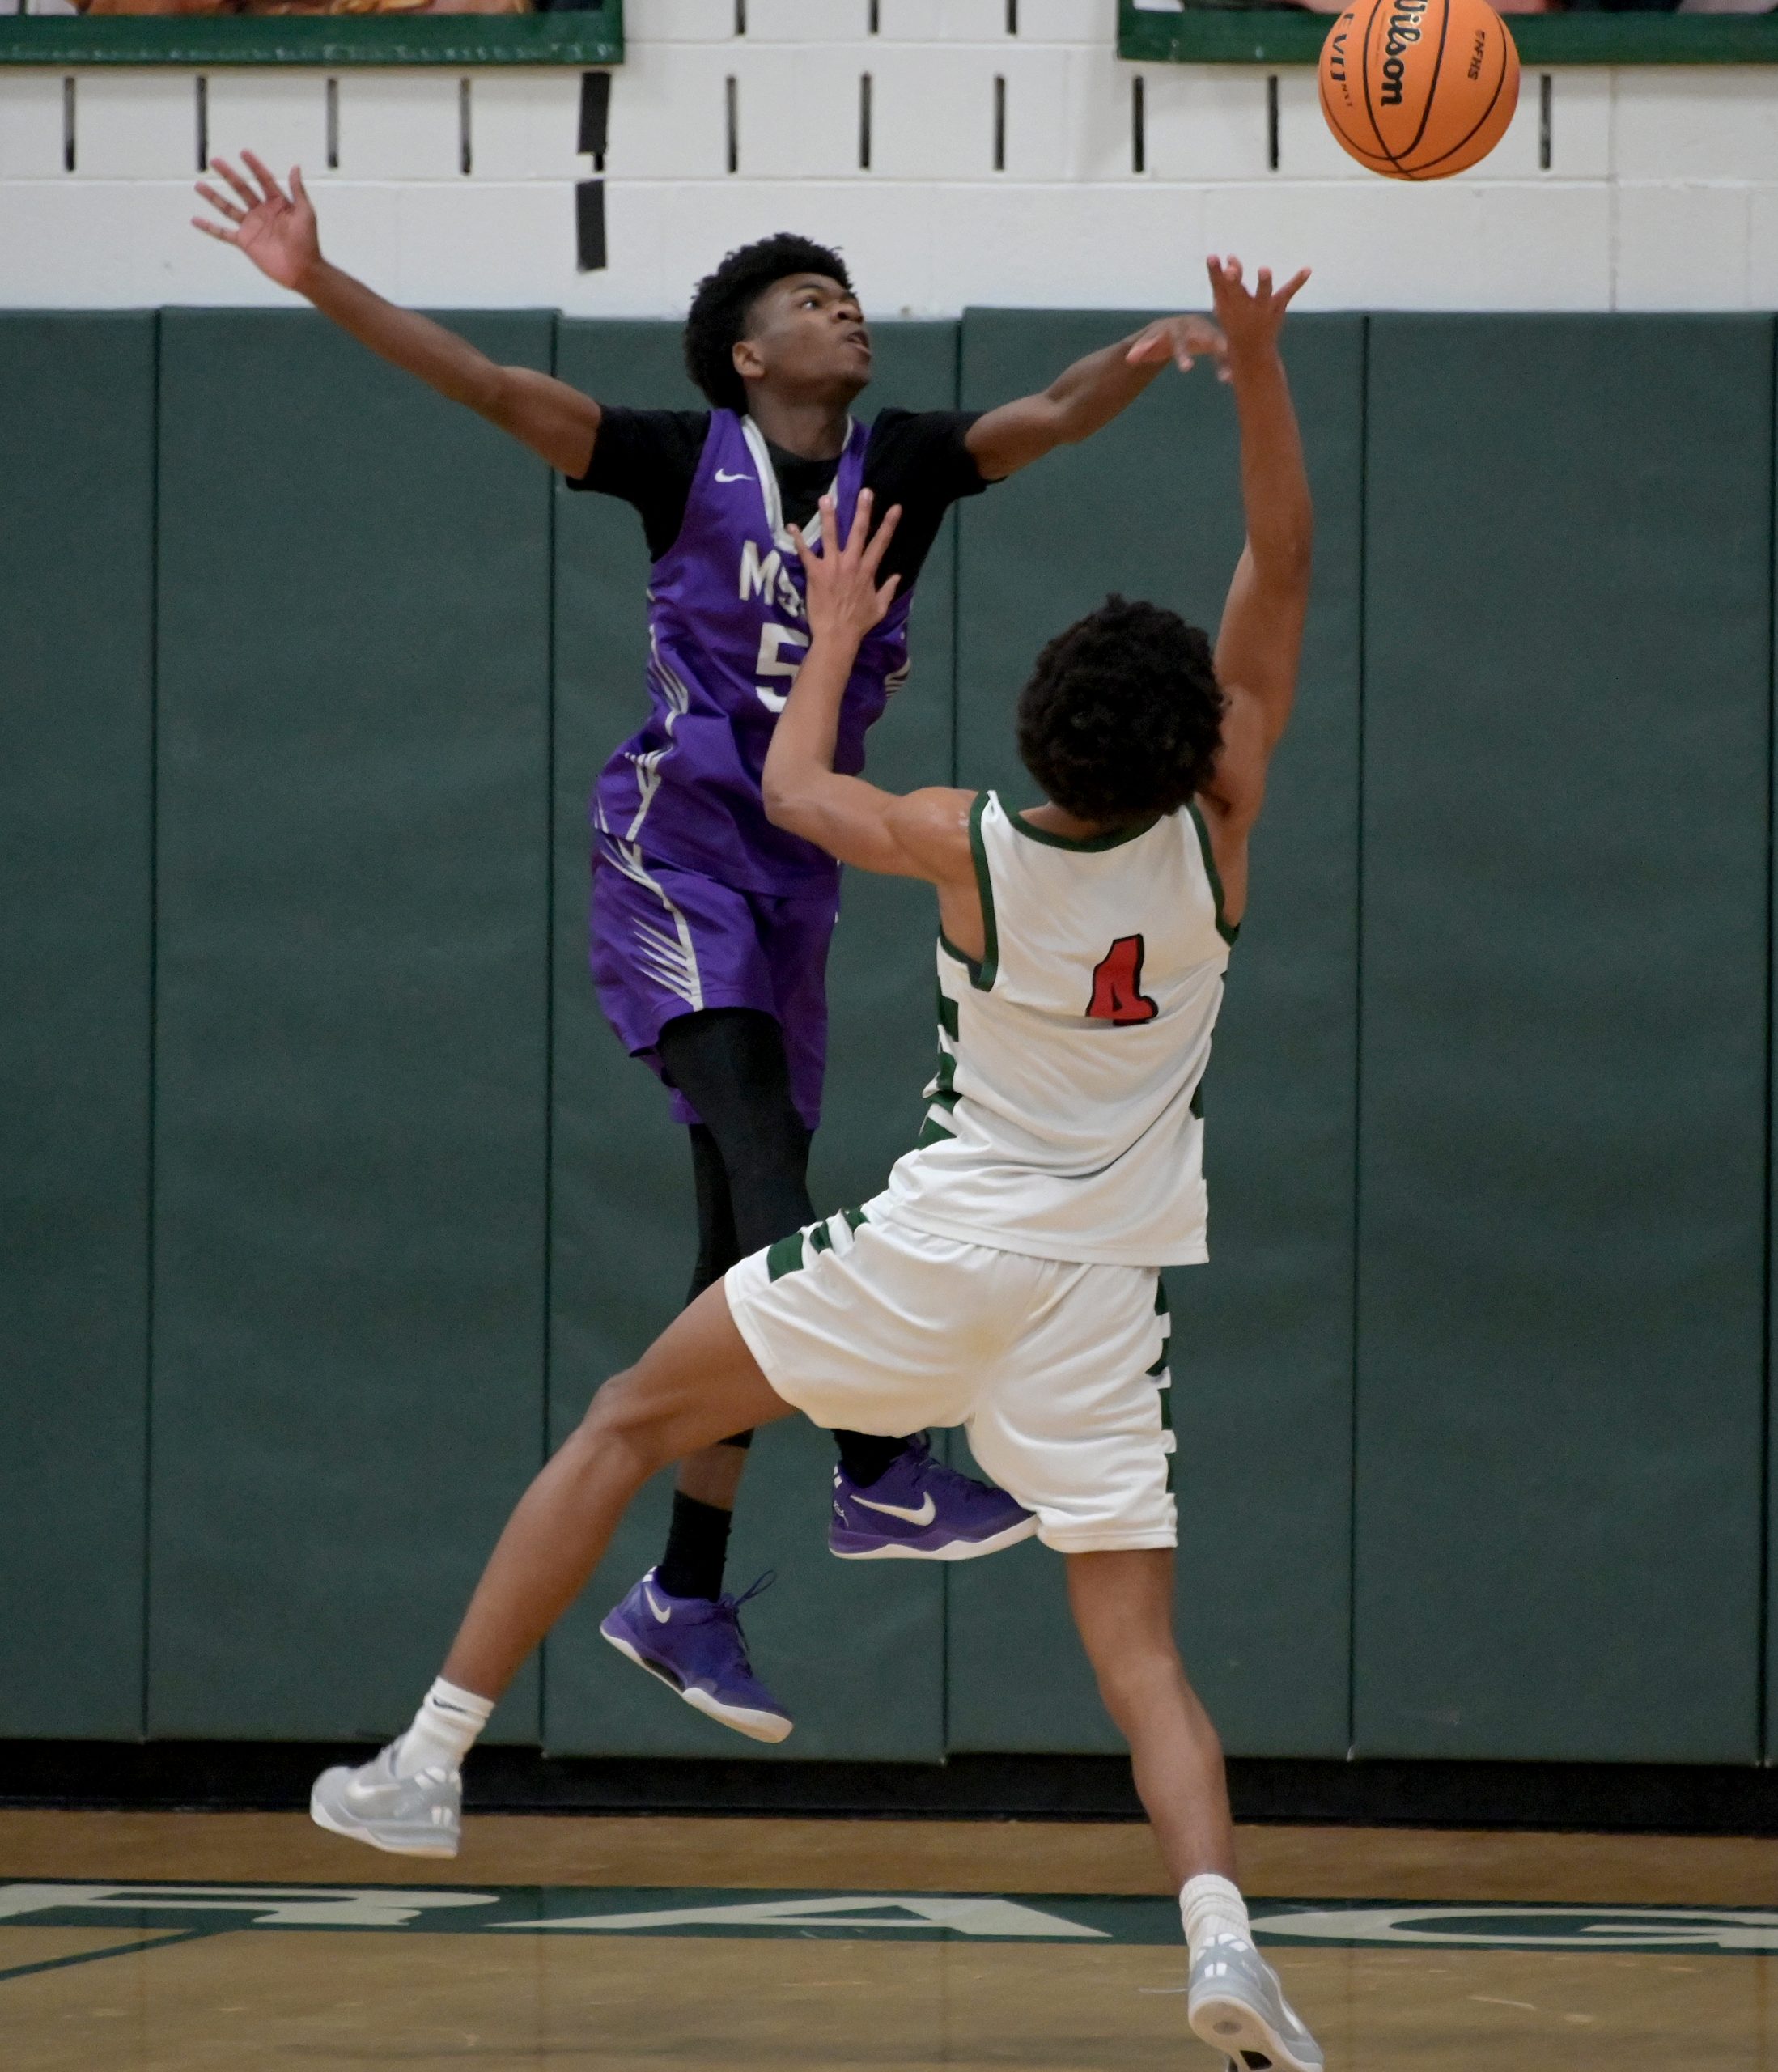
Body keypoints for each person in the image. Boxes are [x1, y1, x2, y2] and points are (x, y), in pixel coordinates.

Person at [308, 248, 1318, 2069]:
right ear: (1204, 748)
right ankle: (1224, 1941)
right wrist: (1252, 372)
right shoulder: (1219, 845)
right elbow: (1282, 569)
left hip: (939, 1252)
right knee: (1141, 1658)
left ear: (1040, 731)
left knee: (626, 1412)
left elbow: (792, 792)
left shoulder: (966, 843)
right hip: (1109, 1292)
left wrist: (836, 628)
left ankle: (430, 1755)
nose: (846, 311)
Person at [192, 153, 1228, 1747]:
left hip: (799, 876)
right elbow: (488, 385)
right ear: (749, 353)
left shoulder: (902, 464)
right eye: (813, 299)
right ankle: (878, 1465)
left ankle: (682, 1591)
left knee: (734, 1243)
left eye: (848, 292)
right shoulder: (679, 462)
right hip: (675, 852)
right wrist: (318, 276)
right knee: (763, 1162)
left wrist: (1147, 352)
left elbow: (1049, 414)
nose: (847, 310)